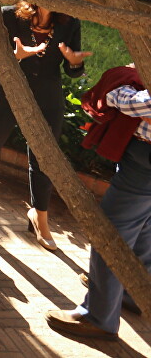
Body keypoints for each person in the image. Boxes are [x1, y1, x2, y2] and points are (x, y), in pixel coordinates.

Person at [0, 0, 92, 250]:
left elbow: (71, 70)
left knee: (44, 158)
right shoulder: (10, 15)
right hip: (7, 89)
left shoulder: (69, 23)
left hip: (47, 96)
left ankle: (39, 217)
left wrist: (76, 63)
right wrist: (14, 56)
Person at [46, 64, 149, 342]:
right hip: (141, 157)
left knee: (110, 235)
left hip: (145, 164)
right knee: (144, 230)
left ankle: (98, 317)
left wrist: (116, 94)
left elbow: (144, 105)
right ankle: (132, 292)